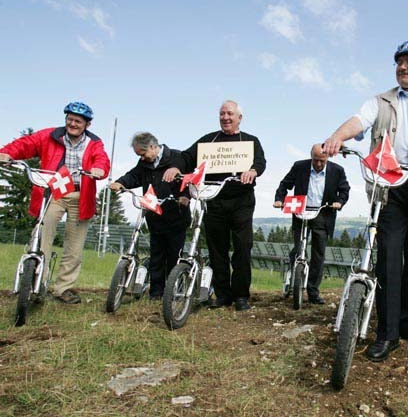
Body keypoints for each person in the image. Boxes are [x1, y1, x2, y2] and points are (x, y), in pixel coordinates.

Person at [323, 39, 408, 362]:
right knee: (388, 258)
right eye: (399, 61)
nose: (403, 67)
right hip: (389, 187)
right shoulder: (381, 101)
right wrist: (336, 137)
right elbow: (358, 121)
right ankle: (387, 333)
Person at [0, 102, 110, 304]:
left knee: (74, 246)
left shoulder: (94, 143)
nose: (73, 123)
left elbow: (101, 160)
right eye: (69, 119)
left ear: (87, 124)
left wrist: (98, 169)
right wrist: (7, 152)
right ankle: (35, 284)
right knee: (42, 236)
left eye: (78, 121)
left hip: (79, 196)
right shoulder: (50, 136)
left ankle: (63, 289)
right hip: (54, 193)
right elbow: (26, 144)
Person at [164, 100, 266, 311]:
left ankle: (241, 296)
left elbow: (260, 161)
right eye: (222, 114)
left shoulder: (250, 141)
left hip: (241, 202)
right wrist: (175, 167)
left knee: (242, 248)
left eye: (230, 114)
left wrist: (253, 171)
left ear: (239, 118)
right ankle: (222, 295)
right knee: (217, 249)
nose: (225, 117)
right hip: (213, 200)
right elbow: (186, 156)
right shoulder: (208, 141)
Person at [109, 132, 191, 300]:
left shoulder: (177, 157)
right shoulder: (144, 164)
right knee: (157, 257)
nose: (142, 158)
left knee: (174, 255)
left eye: (143, 154)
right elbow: (134, 175)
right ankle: (156, 293)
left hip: (176, 216)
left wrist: (186, 196)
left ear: (153, 147)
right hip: (155, 217)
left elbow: (191, 178)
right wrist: (121, 183)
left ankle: (173, 293)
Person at [273, 144, 350, 304]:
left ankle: (313, 292)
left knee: (318, 253)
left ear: (327, 158)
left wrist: (339, 202)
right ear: (311, 157)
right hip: (301, 211)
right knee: (298, 248)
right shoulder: (299, 166)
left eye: (322, 161)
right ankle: (293, 280)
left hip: (323, 213)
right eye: (315, 160)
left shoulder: (337, 170)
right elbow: (284, 184)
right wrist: (280, 199)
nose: (318, 164)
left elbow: (344, 190)